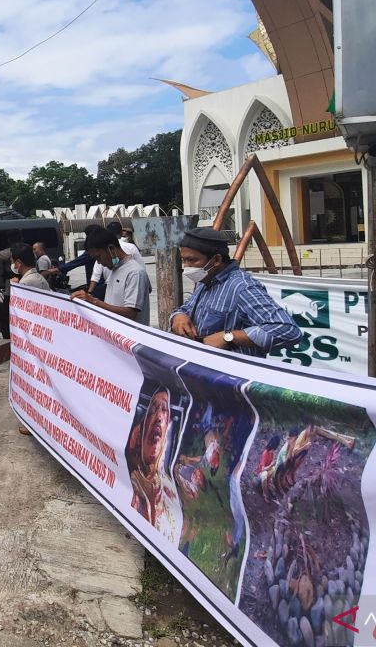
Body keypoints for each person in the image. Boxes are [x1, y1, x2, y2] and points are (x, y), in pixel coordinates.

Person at [169, 227, 302, 357]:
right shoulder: (205, 281)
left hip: (234, 374)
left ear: (216, 260)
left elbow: (288, 330)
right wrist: (178, 316)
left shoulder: (242, 287)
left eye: (192, 260)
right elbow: (187, 308)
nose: (186, 266)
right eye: (184, 260)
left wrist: (228, 337)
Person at [126, 387, 182, 542]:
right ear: (141, 432)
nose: (158, 416)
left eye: (164, 409)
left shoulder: (170, 492)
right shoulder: (128, 479)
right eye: (152, 410)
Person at [71, 230, 152, 325]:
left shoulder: (135, 273)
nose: (99, 262)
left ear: (111, 248)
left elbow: (130, 314)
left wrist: (94, 301)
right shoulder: (114, 269)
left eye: (98, 257)